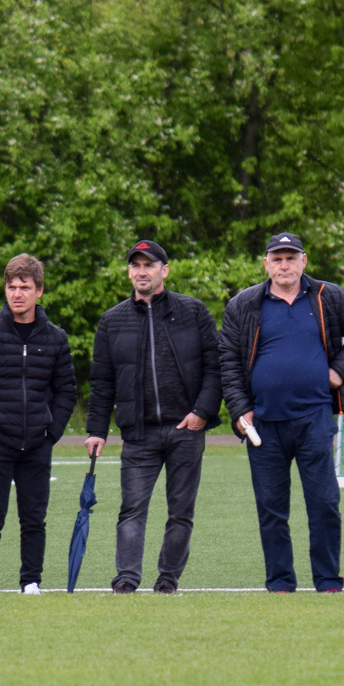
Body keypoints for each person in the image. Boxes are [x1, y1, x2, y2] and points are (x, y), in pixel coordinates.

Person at [218, 232, 344, 592]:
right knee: (271, 508)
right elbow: (227, 360)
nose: (284, 265)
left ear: (304, 261)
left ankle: (328, 580)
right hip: (263, 423)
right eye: (277, 259)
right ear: (266, 264)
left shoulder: (327, 296)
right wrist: (241, 409)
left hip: (315, 418)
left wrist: (338, 372)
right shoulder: (243, 304)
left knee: (324, 504)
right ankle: (280, 582)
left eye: (291, 258)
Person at [84, 240, 222, 594]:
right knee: (131, 509)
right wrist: (96, 430)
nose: (142, 271)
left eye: (149, 265)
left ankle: (168, 580)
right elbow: (102, 382)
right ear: (129, 271)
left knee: (181, 512)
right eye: (136, 265)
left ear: (165, 270)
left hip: (186, 430)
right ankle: (127, 578)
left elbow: (215, 367)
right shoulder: (112, 321)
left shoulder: (193, 311)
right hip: (139, 433)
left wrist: (202, 412)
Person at [0, 254, 77, 595]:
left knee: (34, 519)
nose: (17, 294)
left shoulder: (55, 338)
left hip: (37, 444)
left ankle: (31, 581)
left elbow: (67, 390)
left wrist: (51, 432)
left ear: (39, 291)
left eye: (25, 287)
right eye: (11, 287)